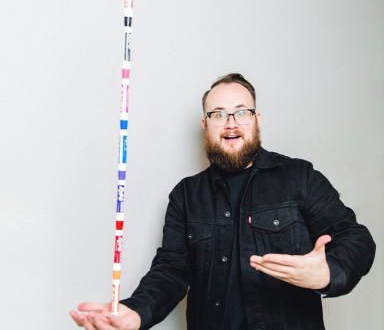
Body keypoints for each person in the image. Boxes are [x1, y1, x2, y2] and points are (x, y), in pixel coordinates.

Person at [70, 74, 375, 330]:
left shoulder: (300, 177)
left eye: (241, 112)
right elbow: (171, 270)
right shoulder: (185, 196)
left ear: (256, 120)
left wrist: (329, 273)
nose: (231, 123)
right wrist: (136, 312)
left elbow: (356, 237)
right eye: (218, 114)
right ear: (206, 125)